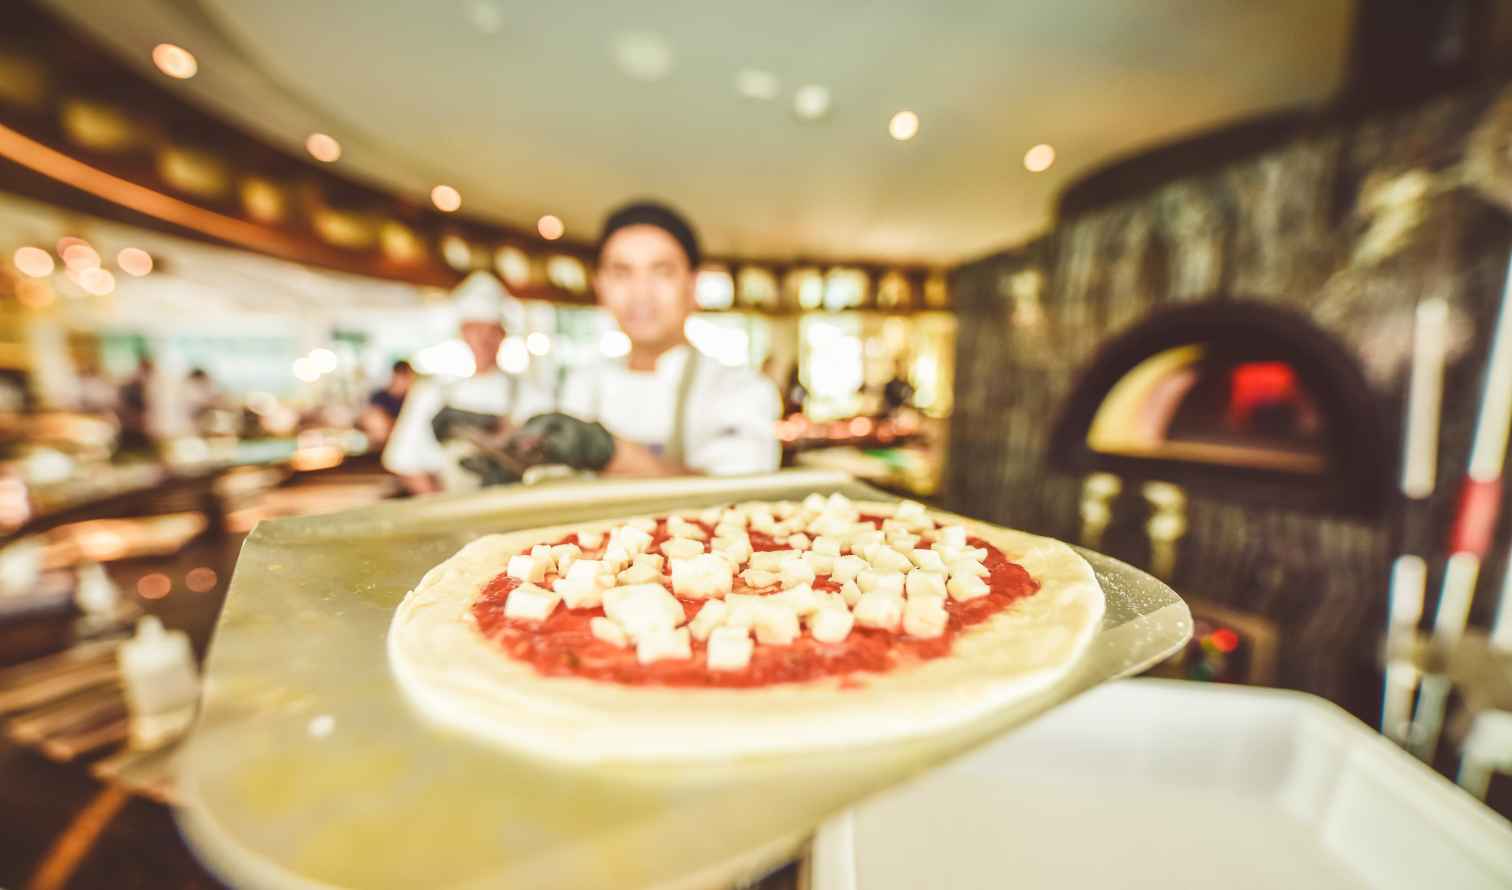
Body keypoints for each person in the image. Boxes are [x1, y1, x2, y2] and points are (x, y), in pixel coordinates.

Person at [511, 200, 780, 476]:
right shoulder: (582, 384)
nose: (641, 293)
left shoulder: (740, 390)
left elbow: (737, 491)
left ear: (692, 286)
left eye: (661, 271)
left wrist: (609, 453)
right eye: (622, 273)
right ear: (601, 287)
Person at [383, 272, 552, 492]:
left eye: (491, 331)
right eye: (474, 329)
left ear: (503, 334)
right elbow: (404, 462)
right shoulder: (432, 393)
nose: (482, 340)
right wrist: (444, 509)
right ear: (462, 332)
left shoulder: (532, 393)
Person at [360, 360, 415, 447]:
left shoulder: (411, 400)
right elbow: (372, 422)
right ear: (395, 376)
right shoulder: (379, 397)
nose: (406, 382)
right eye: (403, 377)